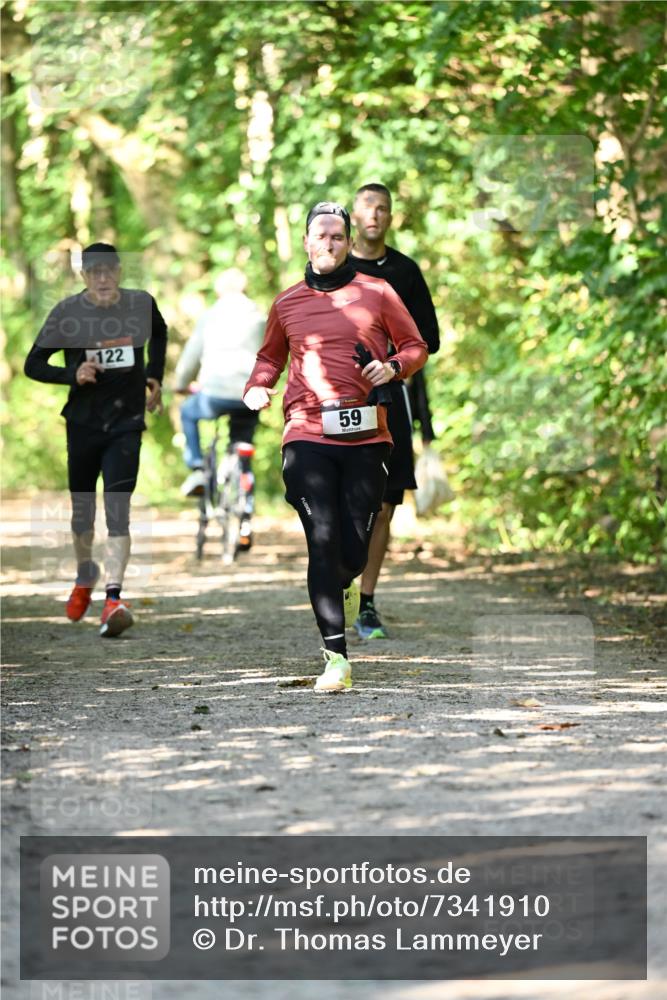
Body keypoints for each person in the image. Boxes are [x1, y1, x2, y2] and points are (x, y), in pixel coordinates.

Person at [243, 202, 427, 692]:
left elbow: (415, 346)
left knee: (352, 550)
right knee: (321, 537)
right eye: (321, 235)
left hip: (368, 434)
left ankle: (344, 581)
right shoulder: (287, 303)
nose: (329, 243)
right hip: (306, 432)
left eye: (338, 237)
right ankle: (336, 657)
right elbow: (269, 358)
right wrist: (257, 386)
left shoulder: (378, 292)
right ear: (306, 241)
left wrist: (392, 368)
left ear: (348, 244)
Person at [24, 242, 167, 637]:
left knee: (118, 508)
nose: (103, 278)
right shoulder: (67, 313)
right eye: (94, 272)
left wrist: (155, 375)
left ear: (120, 271)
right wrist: (72, 375)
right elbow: (33, 364)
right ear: (84, 276)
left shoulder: (140, 305)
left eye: (109, 270)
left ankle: (113, 597)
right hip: (84, 423)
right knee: (83, 514)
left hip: (126, 423)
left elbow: (160, 330)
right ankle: (85, 574)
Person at [349, 183, 440, 639]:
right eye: (369, 207)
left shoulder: (404, 271)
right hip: (340, 398)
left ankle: (366, 604)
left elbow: (429, 341)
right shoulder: (334, 266)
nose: (376, 215)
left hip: (391, 399)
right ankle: (338, 586)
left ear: (390, 217)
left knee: (385, 504)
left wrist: (394, 363)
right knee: (343, 499)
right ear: (353, 214)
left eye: (384, 208)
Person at [174, 268, 266, 504]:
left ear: (219, 290)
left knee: (187, 411)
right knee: (243, 443)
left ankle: (196, 469)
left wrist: (181, 384)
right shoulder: (258, 317)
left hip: (214, 395)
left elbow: (191, 356)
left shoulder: (211, 316)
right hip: (249, 397)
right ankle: (244, 505)